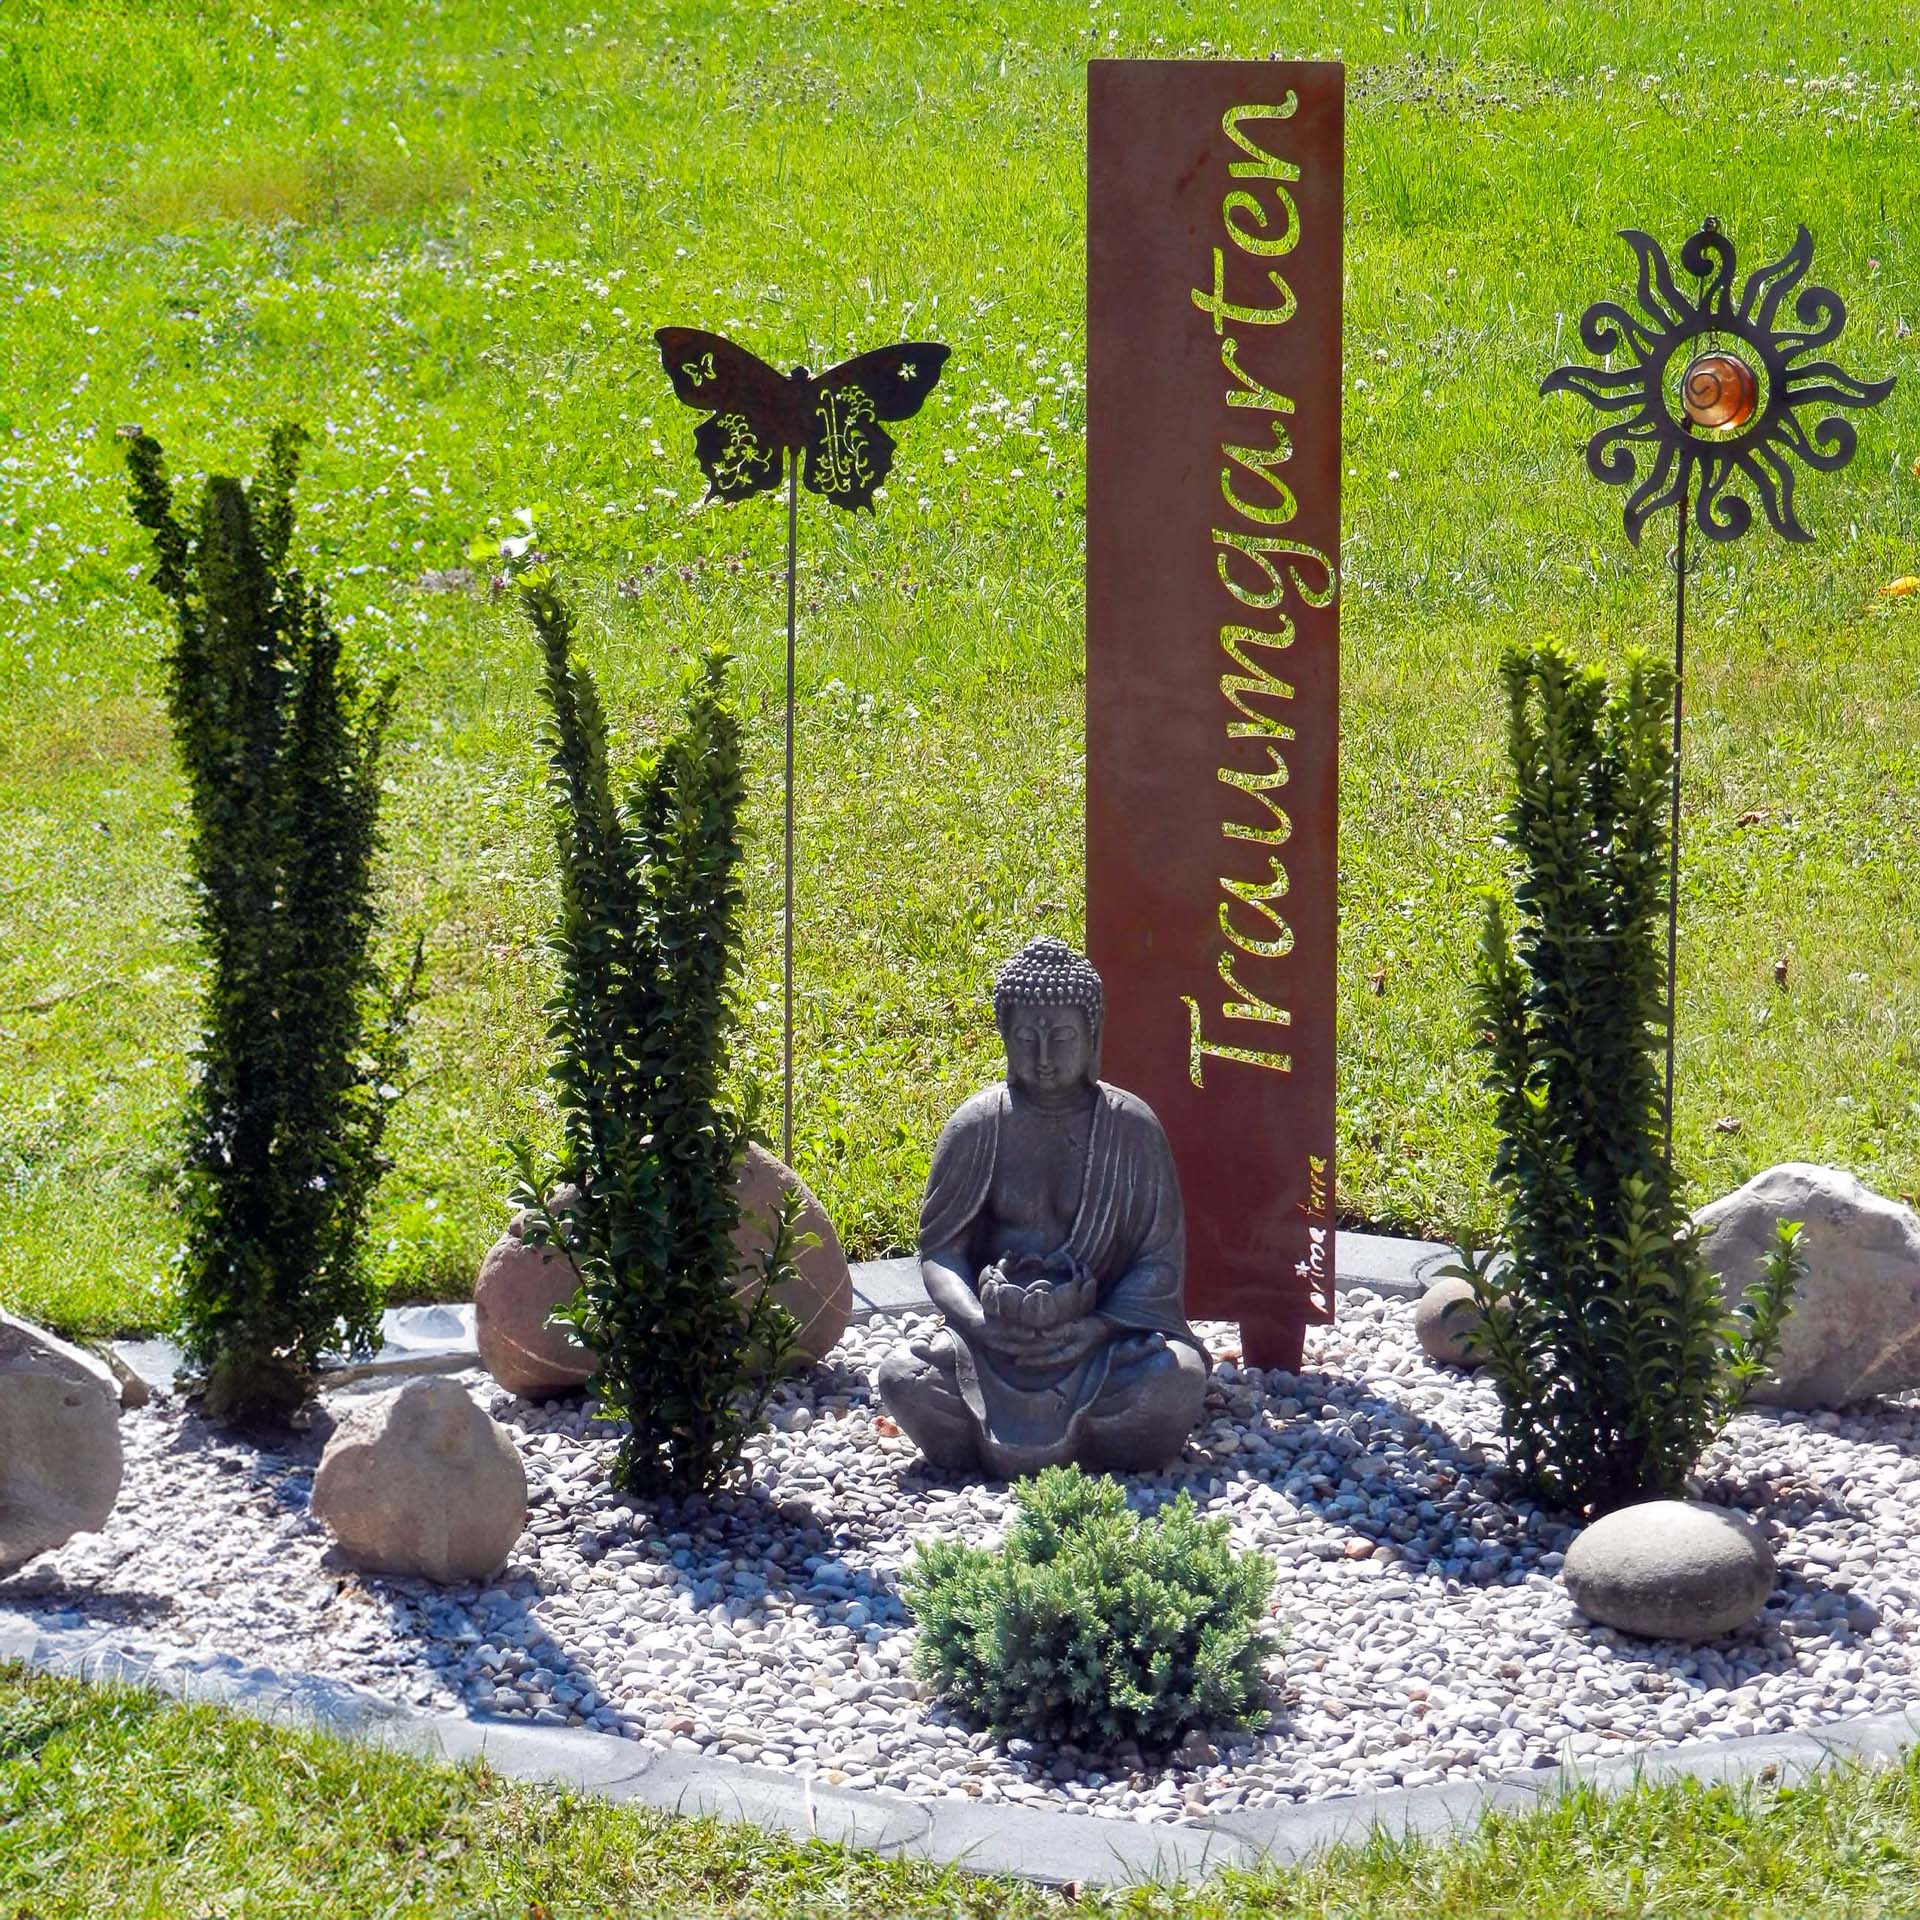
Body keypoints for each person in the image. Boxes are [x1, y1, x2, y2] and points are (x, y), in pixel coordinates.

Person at [878, 936, 1209, 1476]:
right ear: (1006, 1037)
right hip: (993, 1340)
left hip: (1097, 1343)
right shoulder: (979, 1126)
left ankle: (1040, 1443)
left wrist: (1098, 1327)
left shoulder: (1133, 1129)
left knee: (1177, 1382)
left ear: (1093, 1038)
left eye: (1062, 1037)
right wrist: (977, 1322)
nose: (1045, 1057)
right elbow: (941, 1251)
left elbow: (1158, 1262)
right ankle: (1051, 1443)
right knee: (900, 1375)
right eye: (1028, 1038)